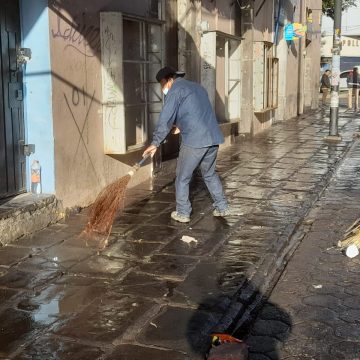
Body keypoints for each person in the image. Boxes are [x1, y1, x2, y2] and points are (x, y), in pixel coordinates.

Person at [142, 66, 229, 223]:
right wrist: (181, 125)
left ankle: (183, 213)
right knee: (209, 174)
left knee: (182, 177)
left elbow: (165, 119)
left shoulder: (175, 91)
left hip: (195, 140)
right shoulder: (197, 87)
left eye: (163, 84)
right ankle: (222, 207)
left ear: (169, 79)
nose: (163, 88)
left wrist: (155, 142)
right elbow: (197, 112)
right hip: (213, 138)